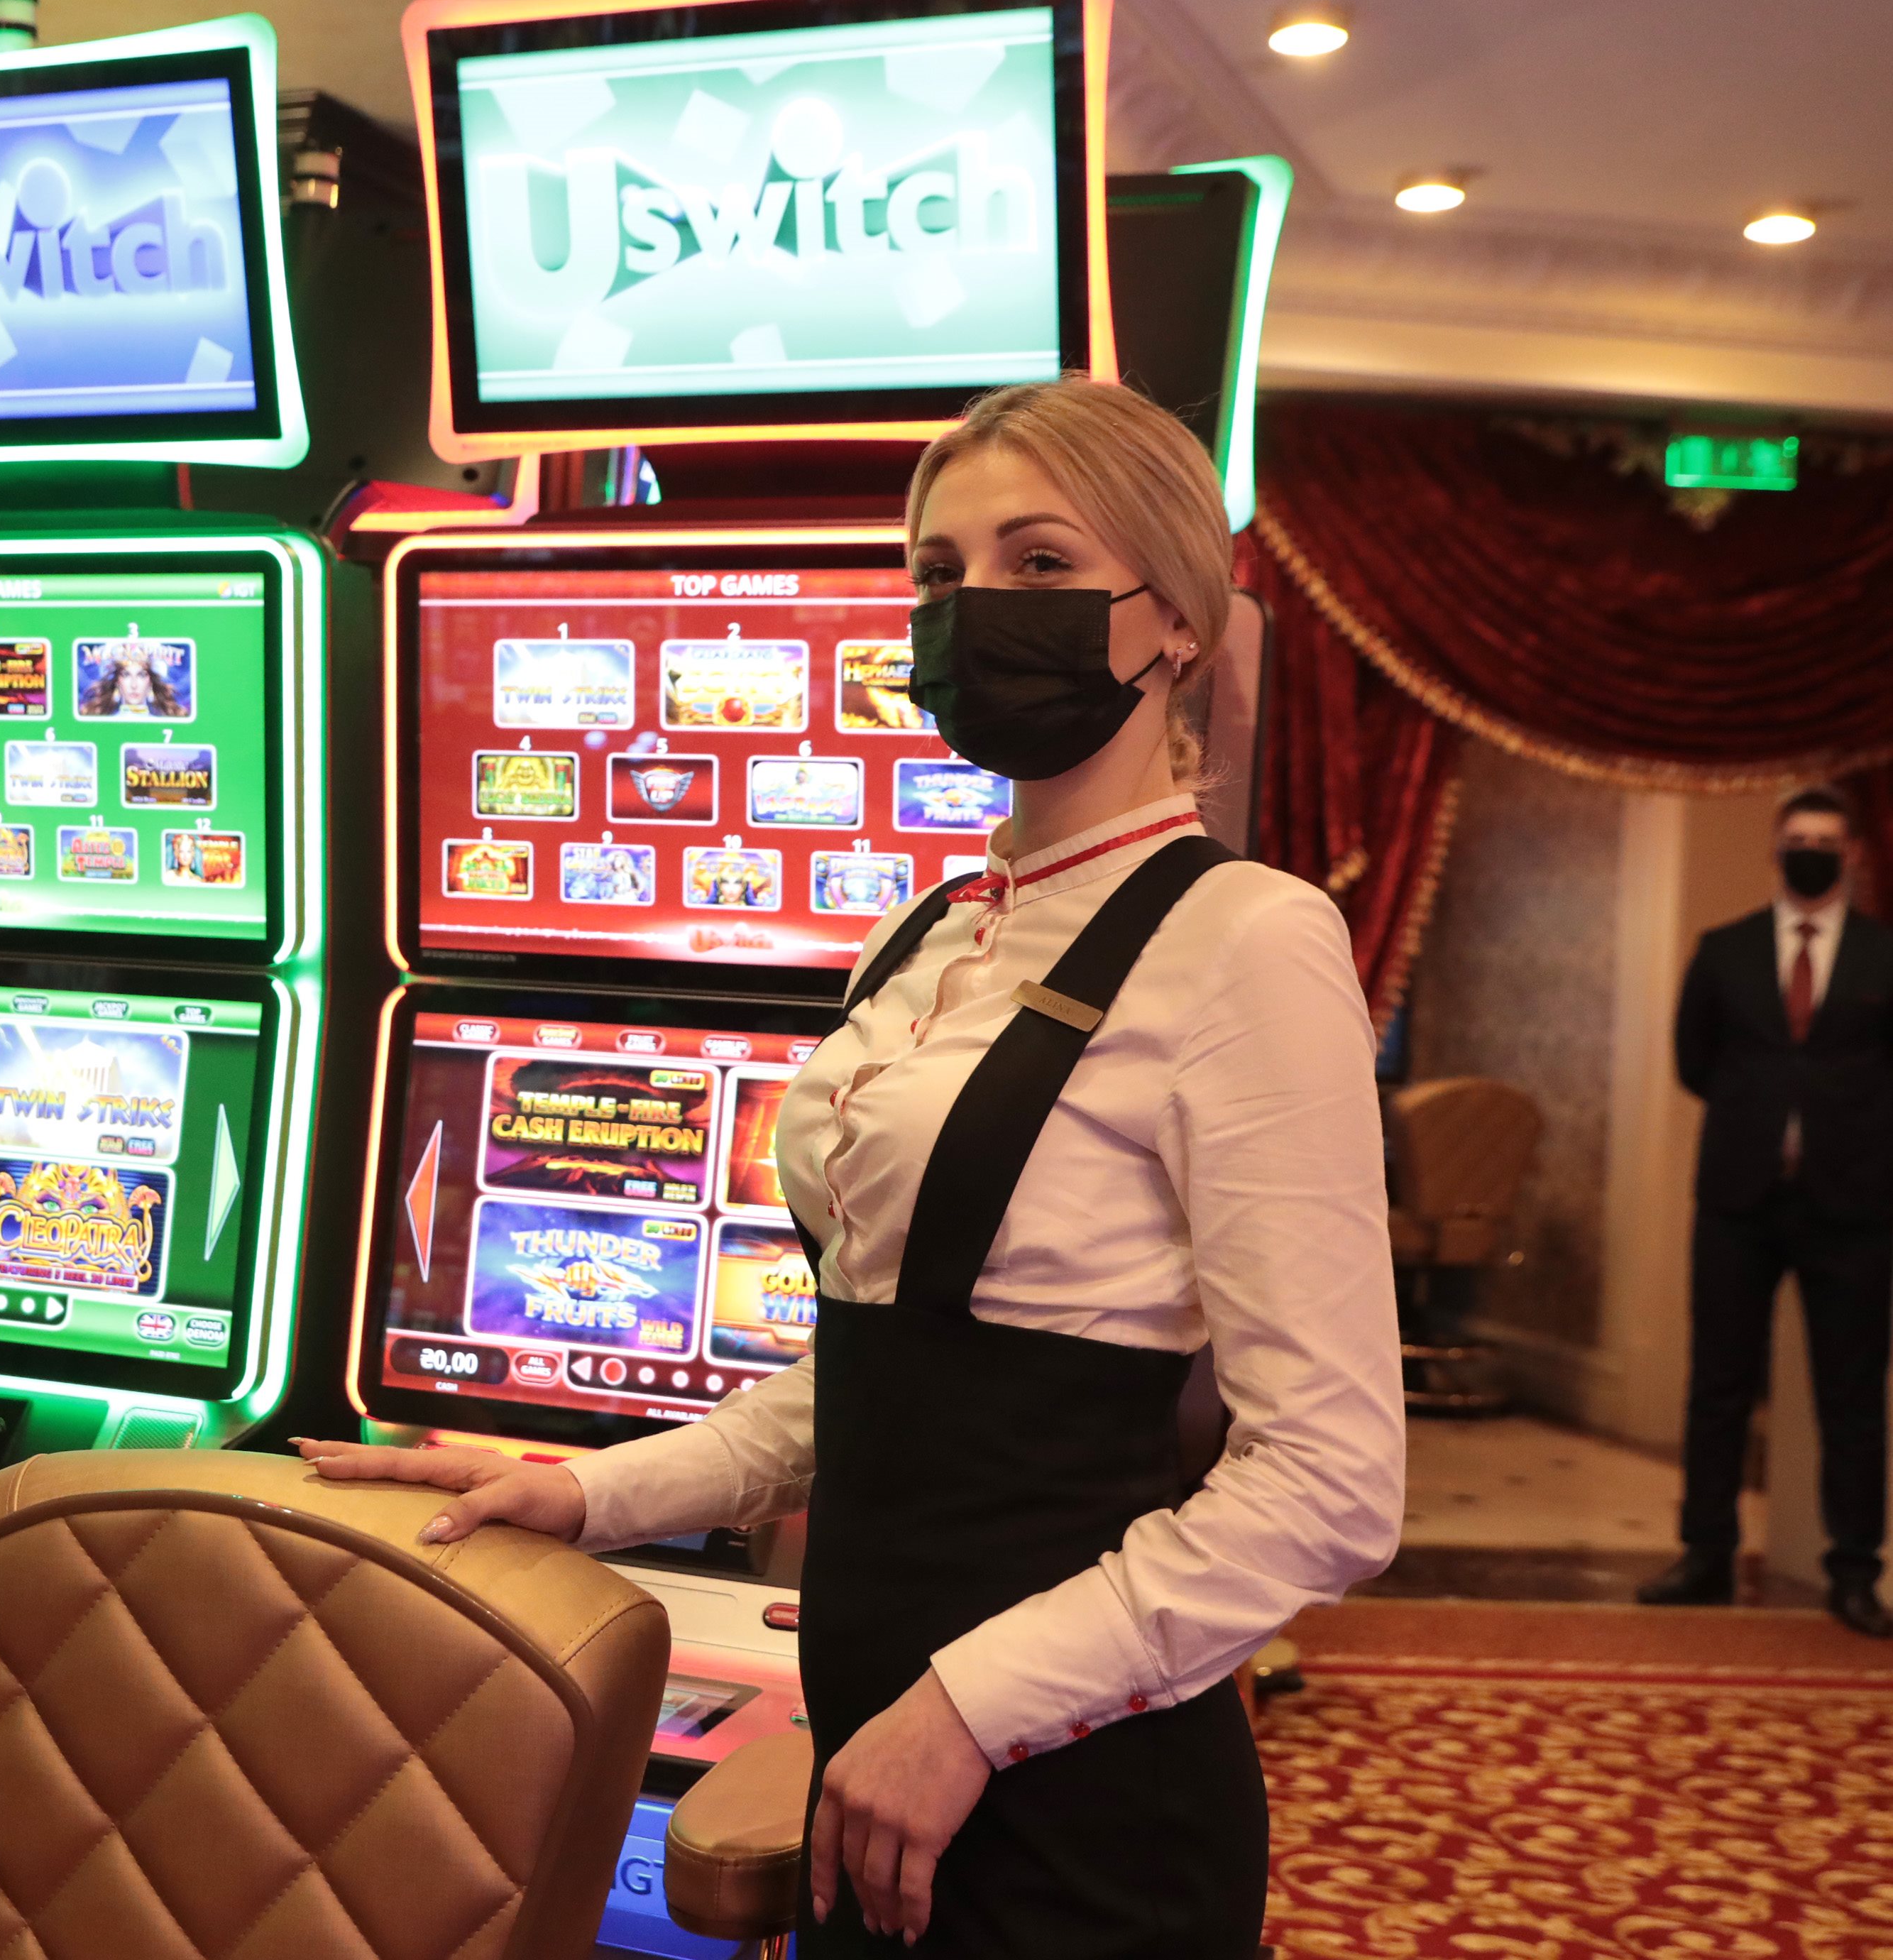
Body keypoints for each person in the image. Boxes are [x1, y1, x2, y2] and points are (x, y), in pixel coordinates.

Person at [302, 376, 1404, 1956]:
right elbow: (876, 1374)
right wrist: (590, 1491)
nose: (975, 606)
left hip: (1078, 1782)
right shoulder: (925, 932)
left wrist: (965, 1710)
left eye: (1038, 562)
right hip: (874, 1733)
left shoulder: (1249, 937)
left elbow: (1331, 1487)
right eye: (941, 573)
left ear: (1176, 619)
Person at [1640, 786, 1893, 1637]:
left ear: (1851, 854)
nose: (1810, 852)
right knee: (1718, 1384)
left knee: (1850, 1396)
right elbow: (1693, 1061)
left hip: (1851, 1207)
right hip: (1737, 1201)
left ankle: (1853, 1572)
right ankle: (1704, 1554)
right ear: (1775, 849)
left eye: (1826, 841)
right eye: (1797, 839)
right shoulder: (1725, 950)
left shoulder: (1883, 955)